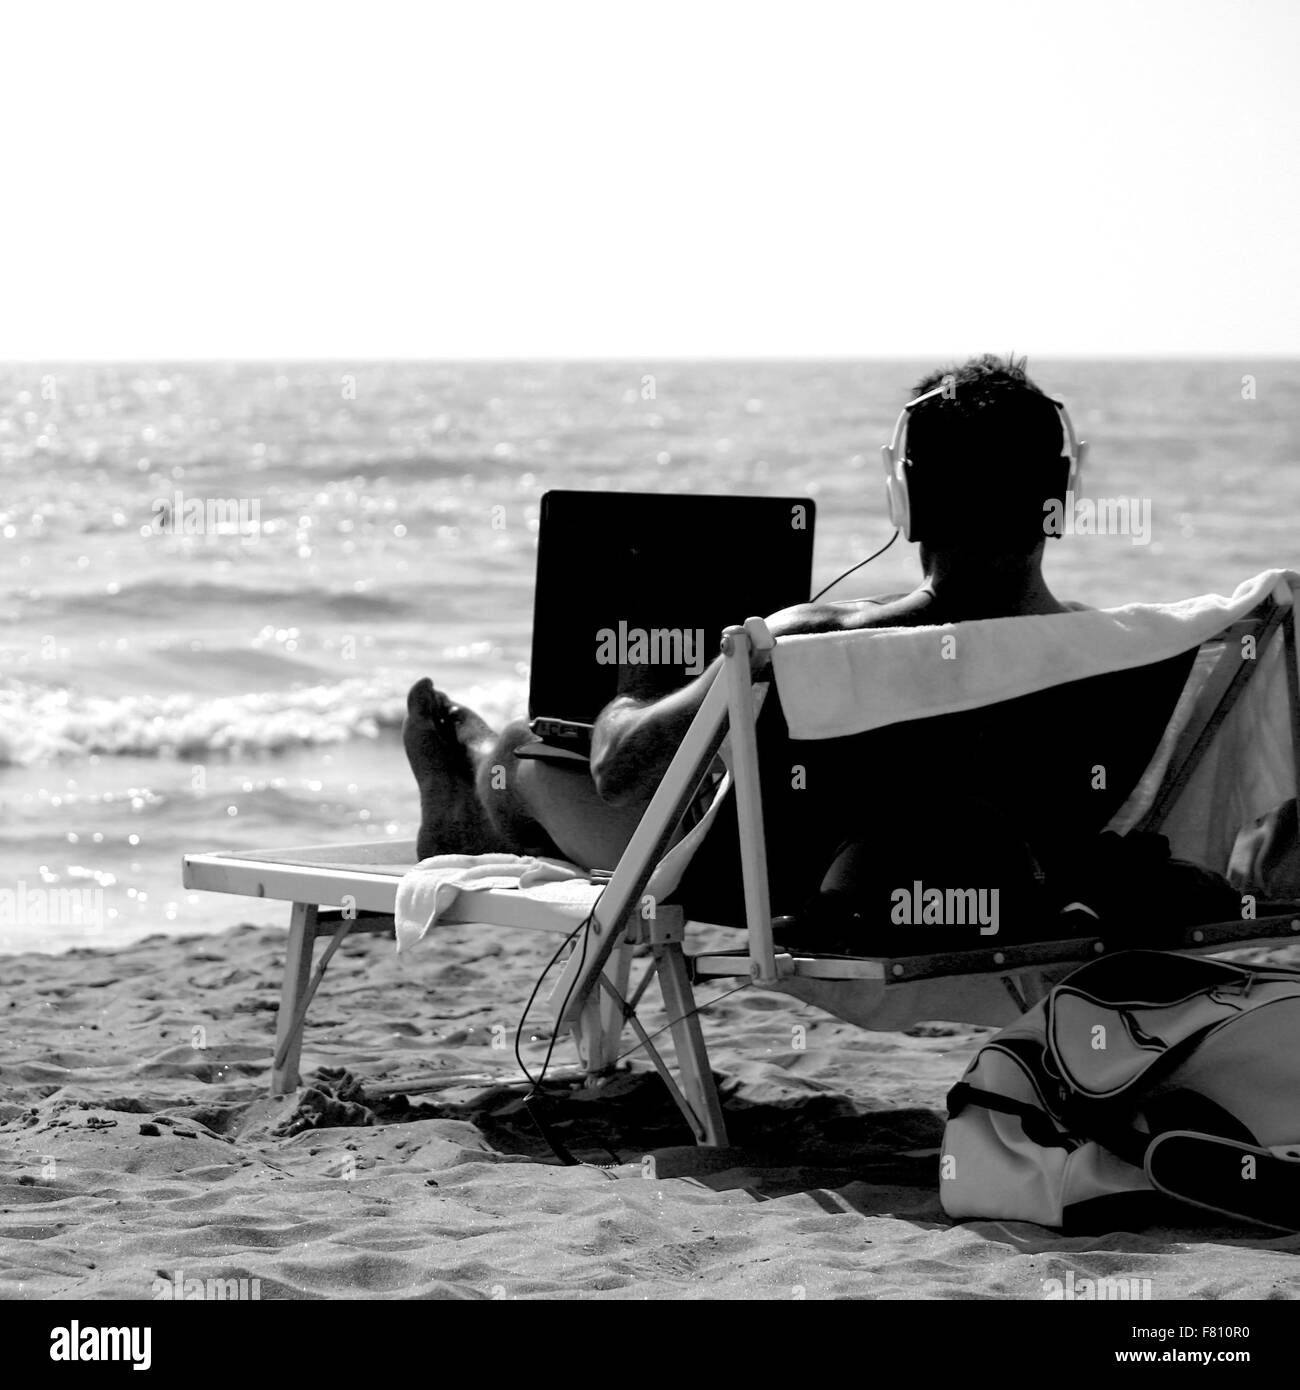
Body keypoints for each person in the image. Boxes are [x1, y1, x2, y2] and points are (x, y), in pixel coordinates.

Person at [404, 354, 1213, 946]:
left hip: (758, 882)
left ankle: (467, 775)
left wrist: (632, 691)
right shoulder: (1108, 650)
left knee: (525, 749)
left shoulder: (810, 643)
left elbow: (618, 768)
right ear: (1059, 496)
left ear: (910, 498)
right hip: (1005, 883)